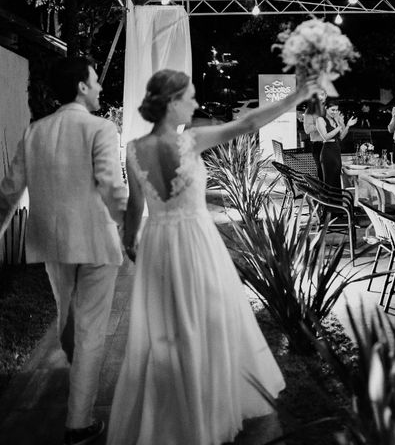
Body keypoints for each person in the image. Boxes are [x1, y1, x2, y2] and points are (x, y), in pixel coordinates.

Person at [107, 70, 321, 445]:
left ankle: (174, 407)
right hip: (196, 242)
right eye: (189, 96)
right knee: (207, 319)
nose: (195, 103)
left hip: (158, 244)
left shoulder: (133, 150)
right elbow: (250, 122)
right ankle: (204, 402)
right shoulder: (190, 141)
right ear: (172, 102)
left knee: (167, 326)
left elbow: (135, 208)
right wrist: (295, 96)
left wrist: (130, 244)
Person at [0, 57, 126, 445]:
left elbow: (9, 192)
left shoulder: (34, 131)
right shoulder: (100, 128)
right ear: (81, 86)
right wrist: (131, 224)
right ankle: (79, 422)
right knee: (89, 329)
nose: (101, 88)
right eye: (95, 80)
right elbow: (110, 185)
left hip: (52, 243)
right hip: (94, 241)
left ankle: (79, 377)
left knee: (67, 316)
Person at [316, 98, 357, 190]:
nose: (335, 112)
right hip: (328, 151)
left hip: (336, 150)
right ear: (326, 108)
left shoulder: (334, 120)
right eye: (332, 110)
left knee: (337, 180)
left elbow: (341, 137)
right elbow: (325, 137)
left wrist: (347, 126)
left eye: (336, 110)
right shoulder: (320, 119)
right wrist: (339, 126)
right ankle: (328, 203)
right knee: (329, 181)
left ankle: (337, 203)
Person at [303, 89, 327, 180]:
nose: (320, 97)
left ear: (326, 96)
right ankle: (323, 193)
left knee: (333, 172)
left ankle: (335, 193)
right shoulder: (309, 111)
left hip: (332, 144)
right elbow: (307, 130)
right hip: (319, 145)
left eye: (322, 94)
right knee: (322, 173)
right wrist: (320, 124)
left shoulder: (329, 109)